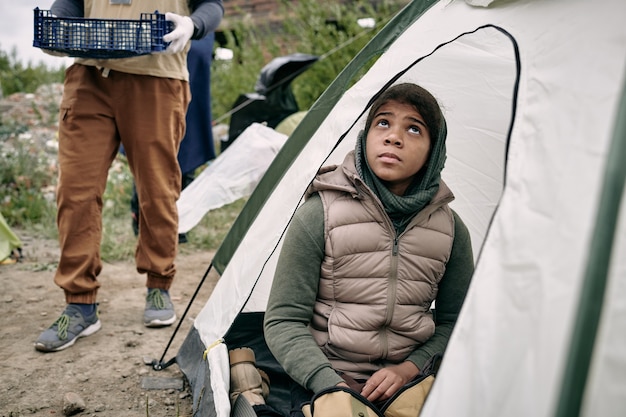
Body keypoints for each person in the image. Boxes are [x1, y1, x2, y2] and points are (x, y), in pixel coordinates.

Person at [230, 83, 475, 415]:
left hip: (408, 380)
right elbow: (284, 319)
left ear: (435, 151)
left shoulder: (450, 229)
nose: (393, 137)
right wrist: (328, 383)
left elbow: (456, 322)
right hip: (328, 374)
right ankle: (251, 388)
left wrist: (409, 369)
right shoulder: (320, 213)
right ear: (366, 136)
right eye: (383, 123)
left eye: (414, 128)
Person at [34, 0, 224, 353]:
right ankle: (79, 302)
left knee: (158, 189)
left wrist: (192, 25)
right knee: (76, 190)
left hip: (158, 77)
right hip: (90, 78)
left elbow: (211, 6)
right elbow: (68, 7)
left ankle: (158, 284)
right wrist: (56, 31)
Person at [130, 35, 217, 243]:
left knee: (186, 164)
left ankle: (179, 223)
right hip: (155, 98)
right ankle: (142, 219)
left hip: (192, 105)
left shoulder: (200, 34)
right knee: (150, 160)